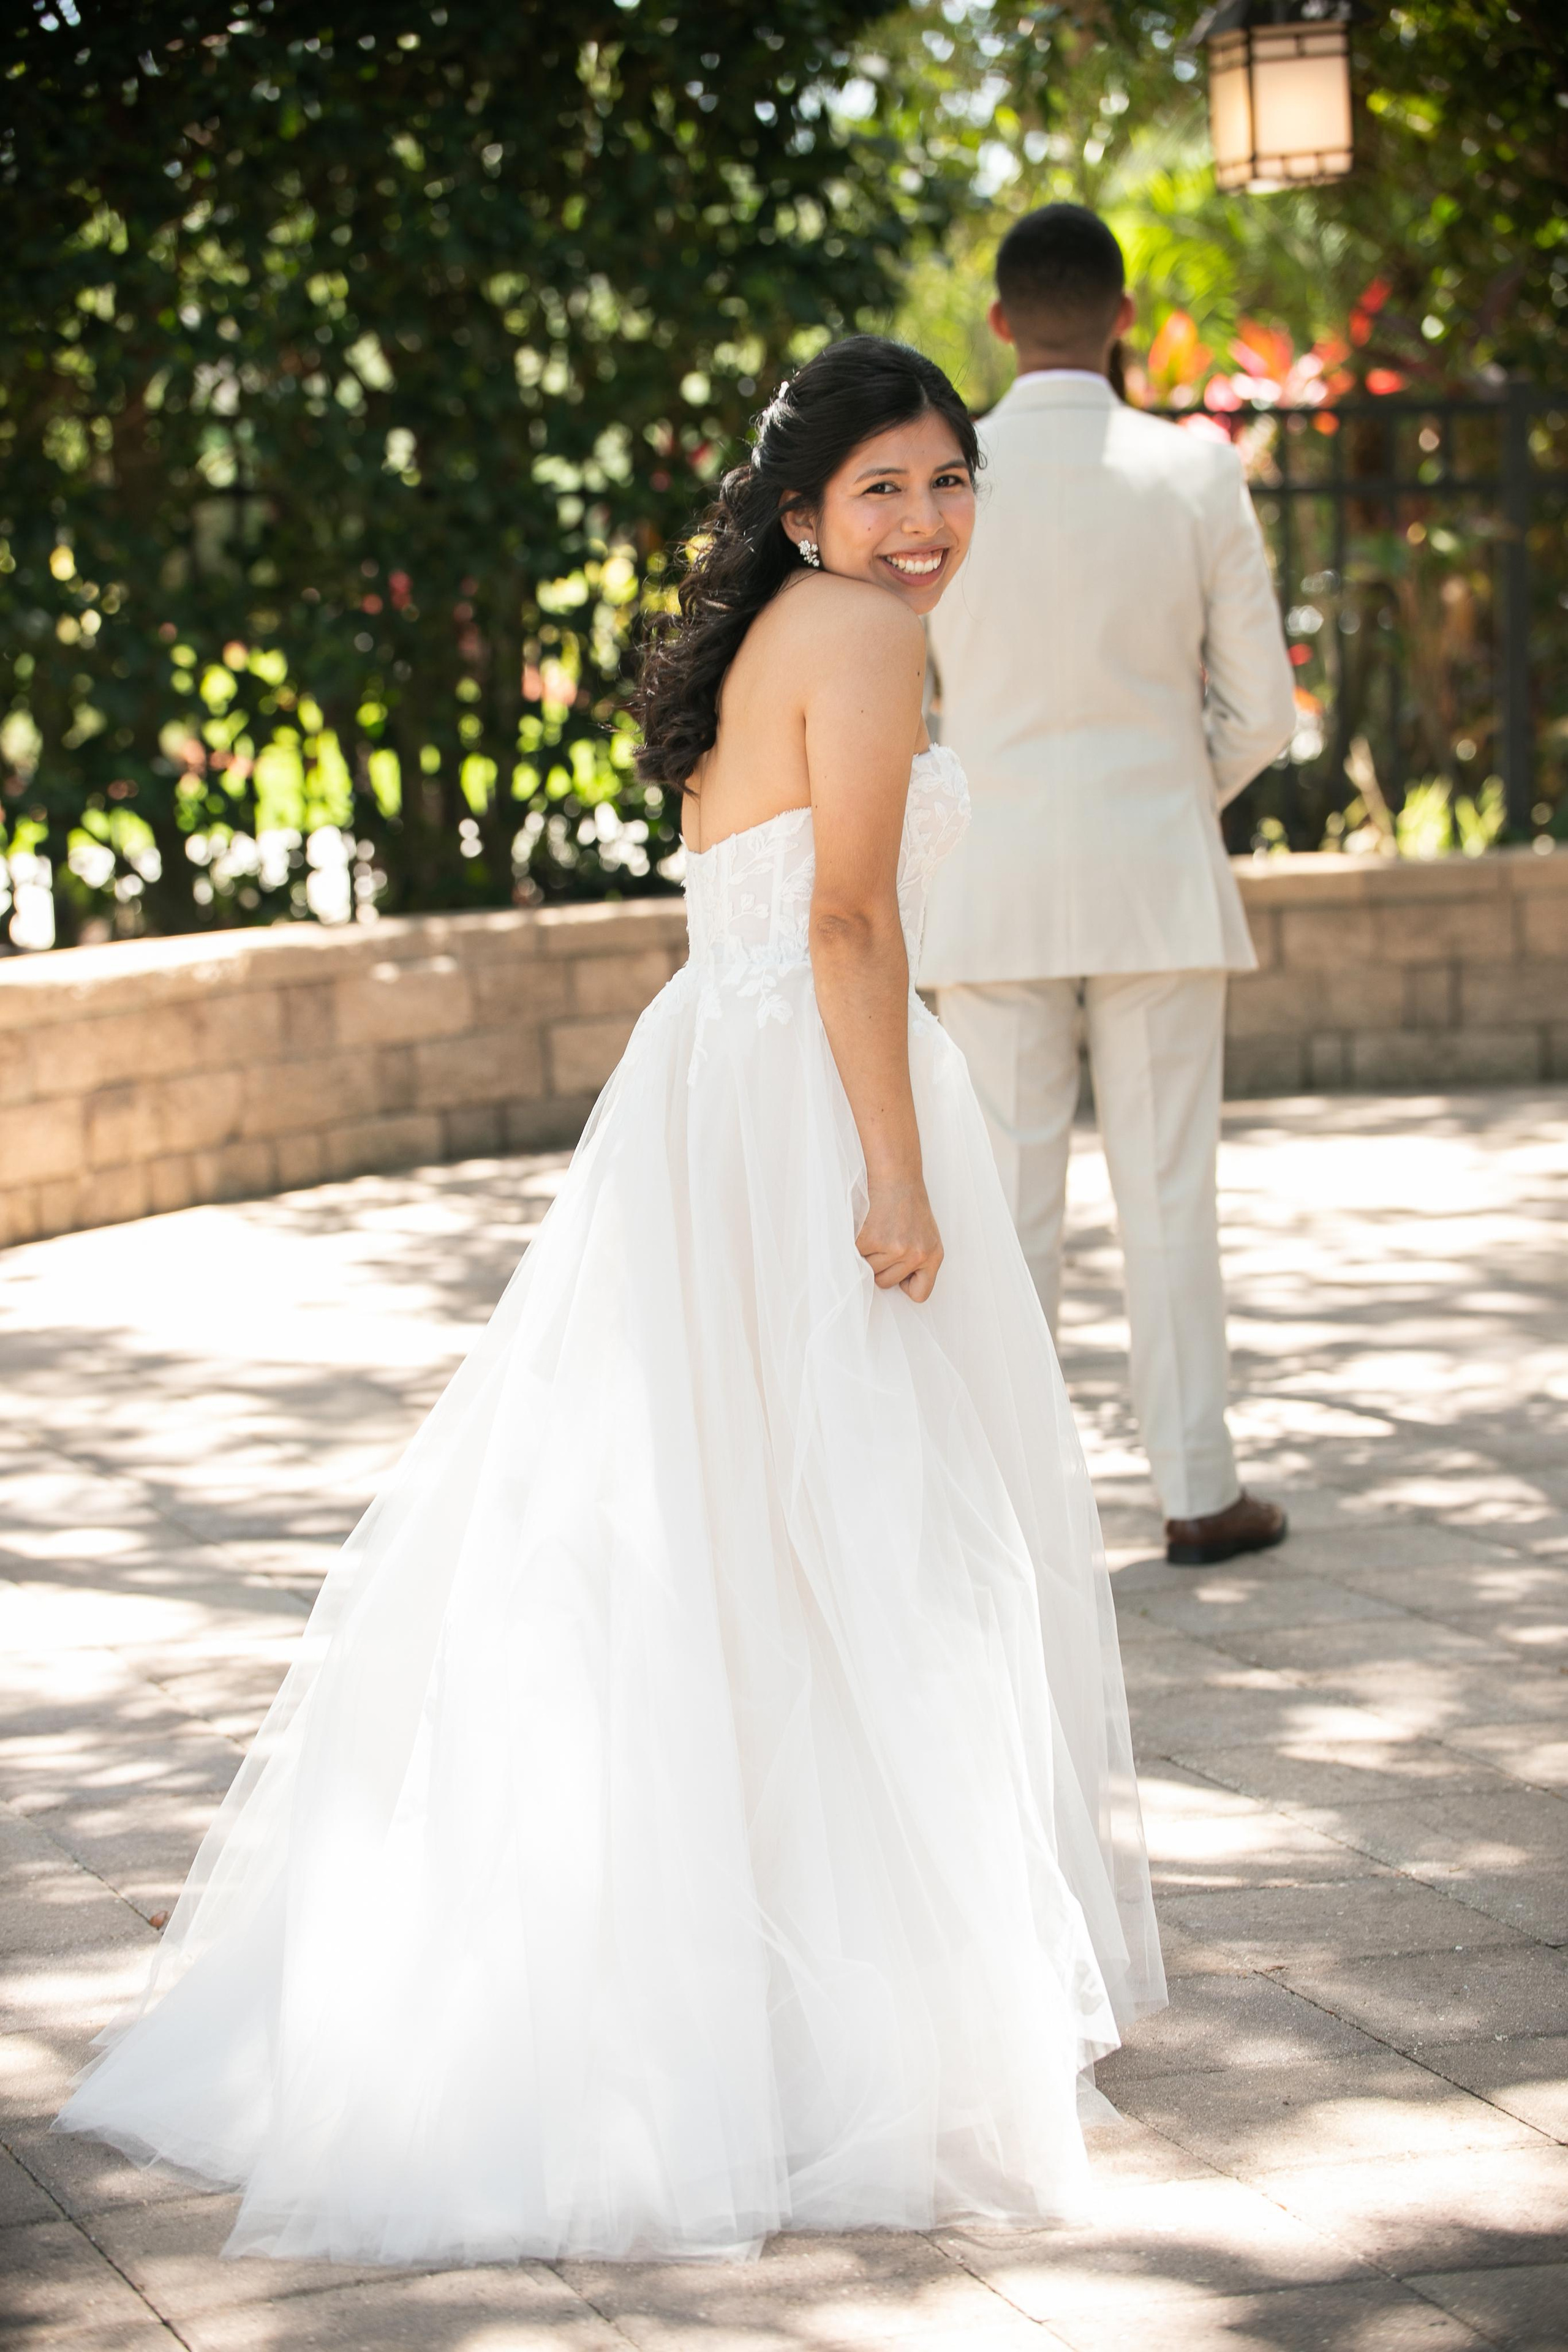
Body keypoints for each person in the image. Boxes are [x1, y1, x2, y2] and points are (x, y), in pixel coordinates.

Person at [56, 337, 1164, 2265]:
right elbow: (847, 917)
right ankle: (828, 2020)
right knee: (856, 1526)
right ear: (809, 509)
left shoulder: (772, 636)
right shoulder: (871, 640)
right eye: (883, 489)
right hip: (809, 1086)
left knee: (719, 1522)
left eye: (948, 482)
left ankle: (753, 1986)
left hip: (707, 1087)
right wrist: (896, 1166)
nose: (922, 523)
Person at [922, 204, 1297, 1569]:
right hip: (1156, 878)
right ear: (1121, 316)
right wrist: (1161, 799)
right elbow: (1260, 713)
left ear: (1002, 320)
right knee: (1167, 1190)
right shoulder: (1193, 473)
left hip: (992, 881)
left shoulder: (940, 476)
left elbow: (897, 697)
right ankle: (1197, 1489)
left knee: (1005, 1205)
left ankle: (1012, 1509)